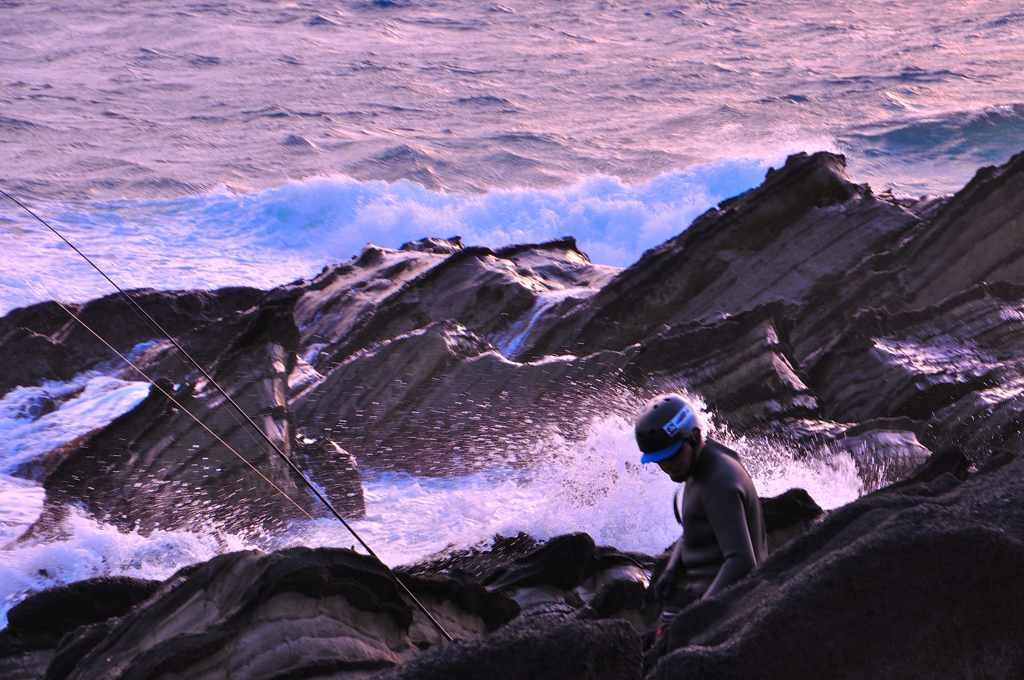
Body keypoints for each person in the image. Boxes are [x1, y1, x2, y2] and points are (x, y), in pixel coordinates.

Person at [635, 393, 767, 631]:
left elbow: (742, 561)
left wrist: (696, 616)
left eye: (672, 455)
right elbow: (694, 529)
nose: (667, 467)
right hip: (702, 595)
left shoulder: (719, 482)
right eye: (659, 460)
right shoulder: (700, 466)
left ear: (694, 437)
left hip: (730, 605)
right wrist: (672, 571)